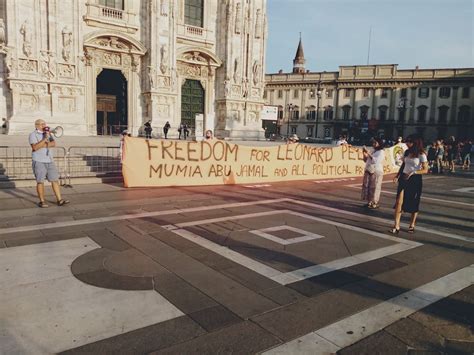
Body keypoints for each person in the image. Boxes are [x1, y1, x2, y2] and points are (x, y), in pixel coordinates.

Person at [390, 136, 429, 234]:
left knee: (414, 202)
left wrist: (414, 172)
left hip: (415, 179)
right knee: (399, 201)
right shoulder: (407, 152)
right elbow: (403, 165)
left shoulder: (421, 154)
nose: (407, 143)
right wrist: (397, 176)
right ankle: (396, 225)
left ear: (415, 143)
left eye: (409, 142)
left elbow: (425, 169)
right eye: (407, 141)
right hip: (404, 177)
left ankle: (412, 224)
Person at [29, 119, 69, 208]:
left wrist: (43, 144)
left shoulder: (48, 134)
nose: (44, 125)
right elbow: (35, 147)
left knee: (55, 180)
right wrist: (45, 140)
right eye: (42, 124)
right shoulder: (32, 135)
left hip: (50, 160)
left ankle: (59, 200)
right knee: (40, 181)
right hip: (39, 160)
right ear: (37, 126)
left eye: (45, 124)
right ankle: (42, 201)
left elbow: (54, 144)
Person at [361, 138, 385, 209]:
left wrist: (368, 153)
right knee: (368, 186)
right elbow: (365, 160)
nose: (374, 144)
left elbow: (375, 161)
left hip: (377, 171)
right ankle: (369, 202)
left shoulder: (381, 152)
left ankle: (375, 202)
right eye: (373, 143)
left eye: (375, 143)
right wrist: (364, 153)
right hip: (369, 170)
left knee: (376, 187)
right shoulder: (373, 151)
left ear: (379, 143)